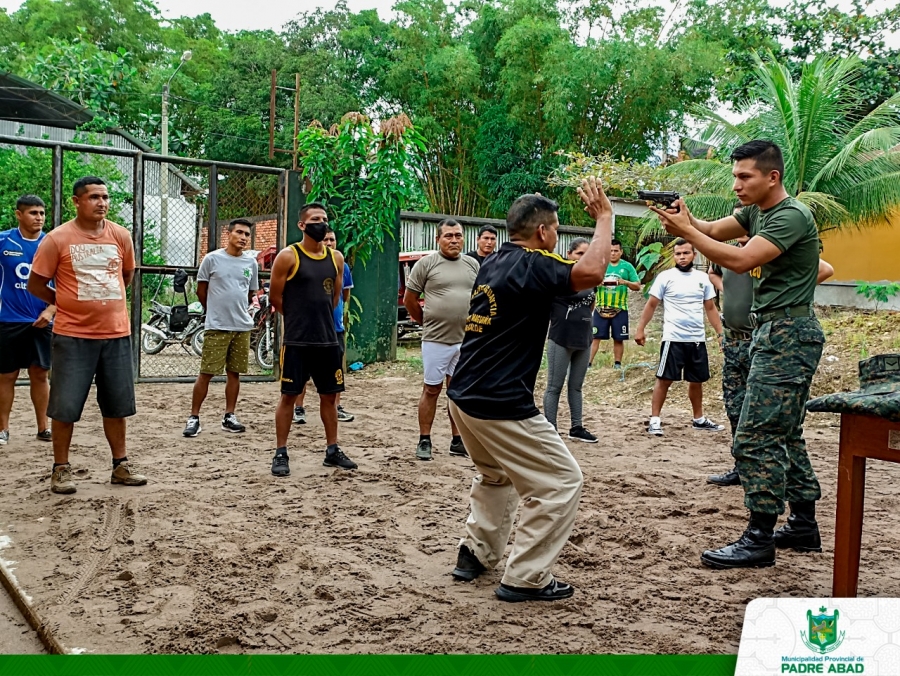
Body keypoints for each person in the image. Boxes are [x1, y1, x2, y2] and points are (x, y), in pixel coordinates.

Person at [650, 139, 827, 569]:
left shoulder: (790, 215)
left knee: (755, 434)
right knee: (784, 433)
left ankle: (759, 537)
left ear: (773, 177)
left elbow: (744, 260)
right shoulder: (756, 212)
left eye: (745, 176)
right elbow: (711, 231)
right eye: (735, 175)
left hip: (789, 333)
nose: (737, 184)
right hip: (776, 331)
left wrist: (687, 233)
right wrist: (686, 218)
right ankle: (803, 525)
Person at [447, 178, 612, 603]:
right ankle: (526, 577)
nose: (556, 237)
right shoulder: (533, 264)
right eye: (555, 229)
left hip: (464, 394)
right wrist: (605, 218)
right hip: (499, 400)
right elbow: (591, 272)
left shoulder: (495, 261)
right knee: (561, 482)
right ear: (542, 232)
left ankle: (475, 554)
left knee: (496, 474)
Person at [28, 176, 146, 493]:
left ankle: (120, 466)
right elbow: (36, 284)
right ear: (77, 201)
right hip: (72, 337)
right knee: (64, 406)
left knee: (117, 405)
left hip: (116, 335)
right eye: (94, 197)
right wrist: (65, 303)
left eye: (105, 197)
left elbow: (127, 275)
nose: (102, 203)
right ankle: (60, 469)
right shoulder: (57, 239)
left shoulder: (121, 236)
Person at [706, 239, 834, 487]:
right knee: (735, 408)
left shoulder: (772, 248)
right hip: (733, 340)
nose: (738, 228)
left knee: (765, 415)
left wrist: (789, 294)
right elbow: (713, 272)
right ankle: (742, 466)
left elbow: (825, 269)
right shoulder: (730, 251)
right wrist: (728, 290)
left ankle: (774, 472)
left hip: (764, 339)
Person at [268, 203, 357, 476]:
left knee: (330, 397)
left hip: (328, 340)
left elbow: (335, 297)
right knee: (289, 397)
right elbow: (275, 297)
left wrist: (321, 322)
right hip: (297, 341)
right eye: (315, 219)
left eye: (325, 219)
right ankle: (281, 452)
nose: (322, 223)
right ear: (302, 225)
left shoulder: (336, 258)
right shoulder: (288, 256)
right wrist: (298, 318)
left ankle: (332, 450)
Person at [404, 218, 479, 461]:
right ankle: (424, 439)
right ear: (438, 239)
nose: (454, 240)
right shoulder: (426, 264)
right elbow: (410, 299)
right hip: (436, 340)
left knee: (457, 391)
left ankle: (458, 440)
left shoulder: (472, 264)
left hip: (465, 341)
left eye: (458, 235)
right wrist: (425, 322)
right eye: (448, 236)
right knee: (432, 389)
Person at [634, 239, 725, 437]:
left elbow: (710, 308)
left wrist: (720, 334)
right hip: (673, 338)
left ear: (694, 254)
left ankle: (699, 419)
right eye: (678, 254)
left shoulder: (703, 278)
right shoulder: (665, 277)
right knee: (664, 378)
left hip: (697, 339)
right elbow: (651, 304)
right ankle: (655, 420)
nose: (682, 257)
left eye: (686, 253)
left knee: (697, 380)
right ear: (674, 256)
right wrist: (640, 328)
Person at [183, 219, 259, 437]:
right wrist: (214, 311)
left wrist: (239, 311)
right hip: (217, 326)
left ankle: (229, 415)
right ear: (229, 234)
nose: (243, 237)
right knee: (206, 372)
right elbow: (201, 290)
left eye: (246, 234)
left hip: (241, 326)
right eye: (239, 233)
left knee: (234, 373)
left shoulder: (250, 263)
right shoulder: (212, 259)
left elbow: (250, 293)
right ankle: (194, 417)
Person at [0, 195, 55, 446]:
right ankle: (3, 429)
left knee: (40, 374)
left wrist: (51, 310)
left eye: (42, 213)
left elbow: (65, 285)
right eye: (33, 213)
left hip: (41, 320)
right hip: (8, 321)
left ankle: (43, 428)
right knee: (6, 376)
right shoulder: (4, 241)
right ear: (18, 215)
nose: (39, 218)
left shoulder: (52, 243)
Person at [293, 227, 355, 425]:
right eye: (326, 239)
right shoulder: (304, 261)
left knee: (336, 371)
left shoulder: (341, 265)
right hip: (308, 330)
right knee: (301, 373)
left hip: (334, 329)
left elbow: (344, 295)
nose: (329, 243)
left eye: (332, 239)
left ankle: (336, 407)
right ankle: (298, 408)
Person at [542, 237, 598, 443]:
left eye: (586, 254)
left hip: (583, 339)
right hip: (561, 338)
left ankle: (576, 426)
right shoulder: (558, 278)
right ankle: (550, 429)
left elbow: (590, 307)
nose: (583, 258)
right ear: (569, 254)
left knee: (576, 386)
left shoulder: (591, 278)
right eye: (579, 254)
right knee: (554, 386)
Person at [589, 239, 641, 369]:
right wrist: (596, 282)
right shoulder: (600, 265)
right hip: (600, 307)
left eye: (616, 251)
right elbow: (587, 282)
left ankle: (617, 364)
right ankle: (587, 364)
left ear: (621, 252)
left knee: (619, 338)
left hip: (620, 308)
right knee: (595, 337)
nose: (613, 253)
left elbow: (637, 286)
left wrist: (625, 282)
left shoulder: (627, 266)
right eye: (610, 251)